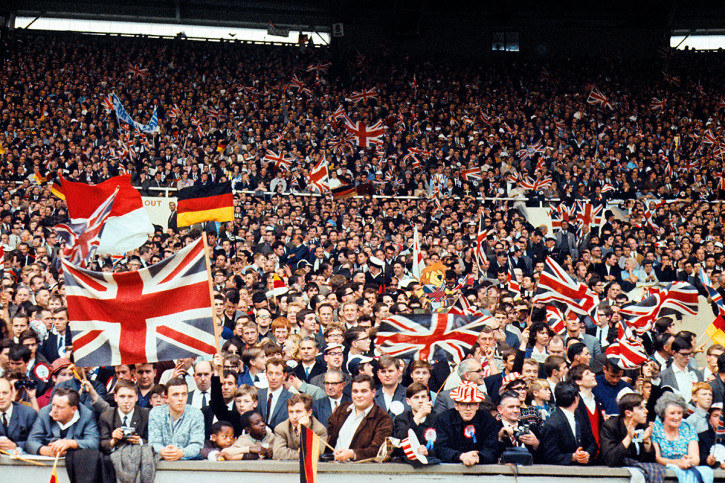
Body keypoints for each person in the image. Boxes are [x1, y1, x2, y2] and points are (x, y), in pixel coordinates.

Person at [326, 374, 393, 462]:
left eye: (363, 391)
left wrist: (352, 454)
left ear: (373, 393)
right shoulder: (342, 409)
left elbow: (377, 450)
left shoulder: (383, 419)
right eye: (355, 391)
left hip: (359, 471)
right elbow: (329, 436)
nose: (358, 395)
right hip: (332, 466)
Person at [651, 392, 714, 483]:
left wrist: (688, 462)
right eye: (672, 413)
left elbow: (695, 458)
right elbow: (657, 458)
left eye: (679, 413)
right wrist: (678, 463)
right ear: (663, 414)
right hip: (663, 475)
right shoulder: (655, 429)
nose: (676, 417)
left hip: (687, 469)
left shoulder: (688, 428)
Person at [435, 381, 499, 466]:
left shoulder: (488, 421)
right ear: (456, 406)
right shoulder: (444, 419)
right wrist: (461, 456)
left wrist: (478, 457)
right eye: (463, 404)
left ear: (477, 405)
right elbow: (440, 448)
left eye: (472, 404)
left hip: (480, 469)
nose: (468, 409)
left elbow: (492, 449)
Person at [600, 392, 658, 480]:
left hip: (639, 468)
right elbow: (611, 459)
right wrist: (629, 437)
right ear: (628, 413)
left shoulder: (643, 426)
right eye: (641, 408)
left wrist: (646, 441)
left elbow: (649, 460)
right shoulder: (610, 426)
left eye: (645, 406)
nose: (646, 411)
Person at [26, 387, 100, 455]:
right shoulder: (44, 412)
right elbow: (31, 441)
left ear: (73, 409)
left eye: (60, 407)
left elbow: (94, 443)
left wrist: (70, 443)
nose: (54, 410)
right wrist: (47, 451)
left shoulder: (87, 415)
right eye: (53, 405)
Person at [538, 382, 598, 465]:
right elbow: (549, 456)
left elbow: (592, 443)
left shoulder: (579, 415)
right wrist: (573, 457)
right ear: (576, 399)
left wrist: (587, 454)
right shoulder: (552, 424)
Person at [148, 377, 204, 461]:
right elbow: (153, 443)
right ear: (166, 398)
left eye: (184, 394)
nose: (180, 399)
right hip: (161, 464)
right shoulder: (156, 413)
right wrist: (163, 451)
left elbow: (197, 445)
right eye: (175, 394)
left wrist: (181, 452)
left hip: (187, 465)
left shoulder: (196, 414)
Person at [98, 379, 149, 453]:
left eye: (130, 396)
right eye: (122, 396)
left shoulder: (146, 414)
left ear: (136, 397)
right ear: (115, 398)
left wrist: (140, 441)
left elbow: (153, 440)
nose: (126, 401)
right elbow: (102, 444)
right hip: (114, 455)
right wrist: (113, 440)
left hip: (138, 454)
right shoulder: (106, 416)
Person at [393, 382, 439, 463]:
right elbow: (401, 441)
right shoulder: (401, 419)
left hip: (431, 464)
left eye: (423, 397)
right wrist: (419, 416)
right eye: (416, 397)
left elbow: (442, 446)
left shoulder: (436, 419)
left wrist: (428, 452)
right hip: (407, 464)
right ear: (408, 401)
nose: (420, 401)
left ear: (428, 399)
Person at [272, 393, 327, 460]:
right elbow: (278, 454)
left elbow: (314, 454)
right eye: (291, 412)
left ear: (309, 412)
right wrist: (302, 454)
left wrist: (303, 431)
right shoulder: (281, 428)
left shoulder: (319, 430)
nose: (294, 417)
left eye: (298, 412)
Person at [0, 376, 38, 452]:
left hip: (23, 460)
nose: (1, 397)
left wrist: (16, 445)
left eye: (5, 393)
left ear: (12, 393)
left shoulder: (28, 413)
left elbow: (36, 441)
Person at [496, 390, 540, 455]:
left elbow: (544, 457)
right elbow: (491, 454)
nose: (516, 411)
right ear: (500, 409)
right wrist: (499, 438)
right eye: (511, 407)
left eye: (518, 407)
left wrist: (536, 444)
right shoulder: (493, 428)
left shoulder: (530, 427)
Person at [258, 358, 292, 429]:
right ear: (265, 374)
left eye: (277, 374)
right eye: (270, 373)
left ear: (284, 376)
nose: (273, 378)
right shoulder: (257, 395)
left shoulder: (291, 398)